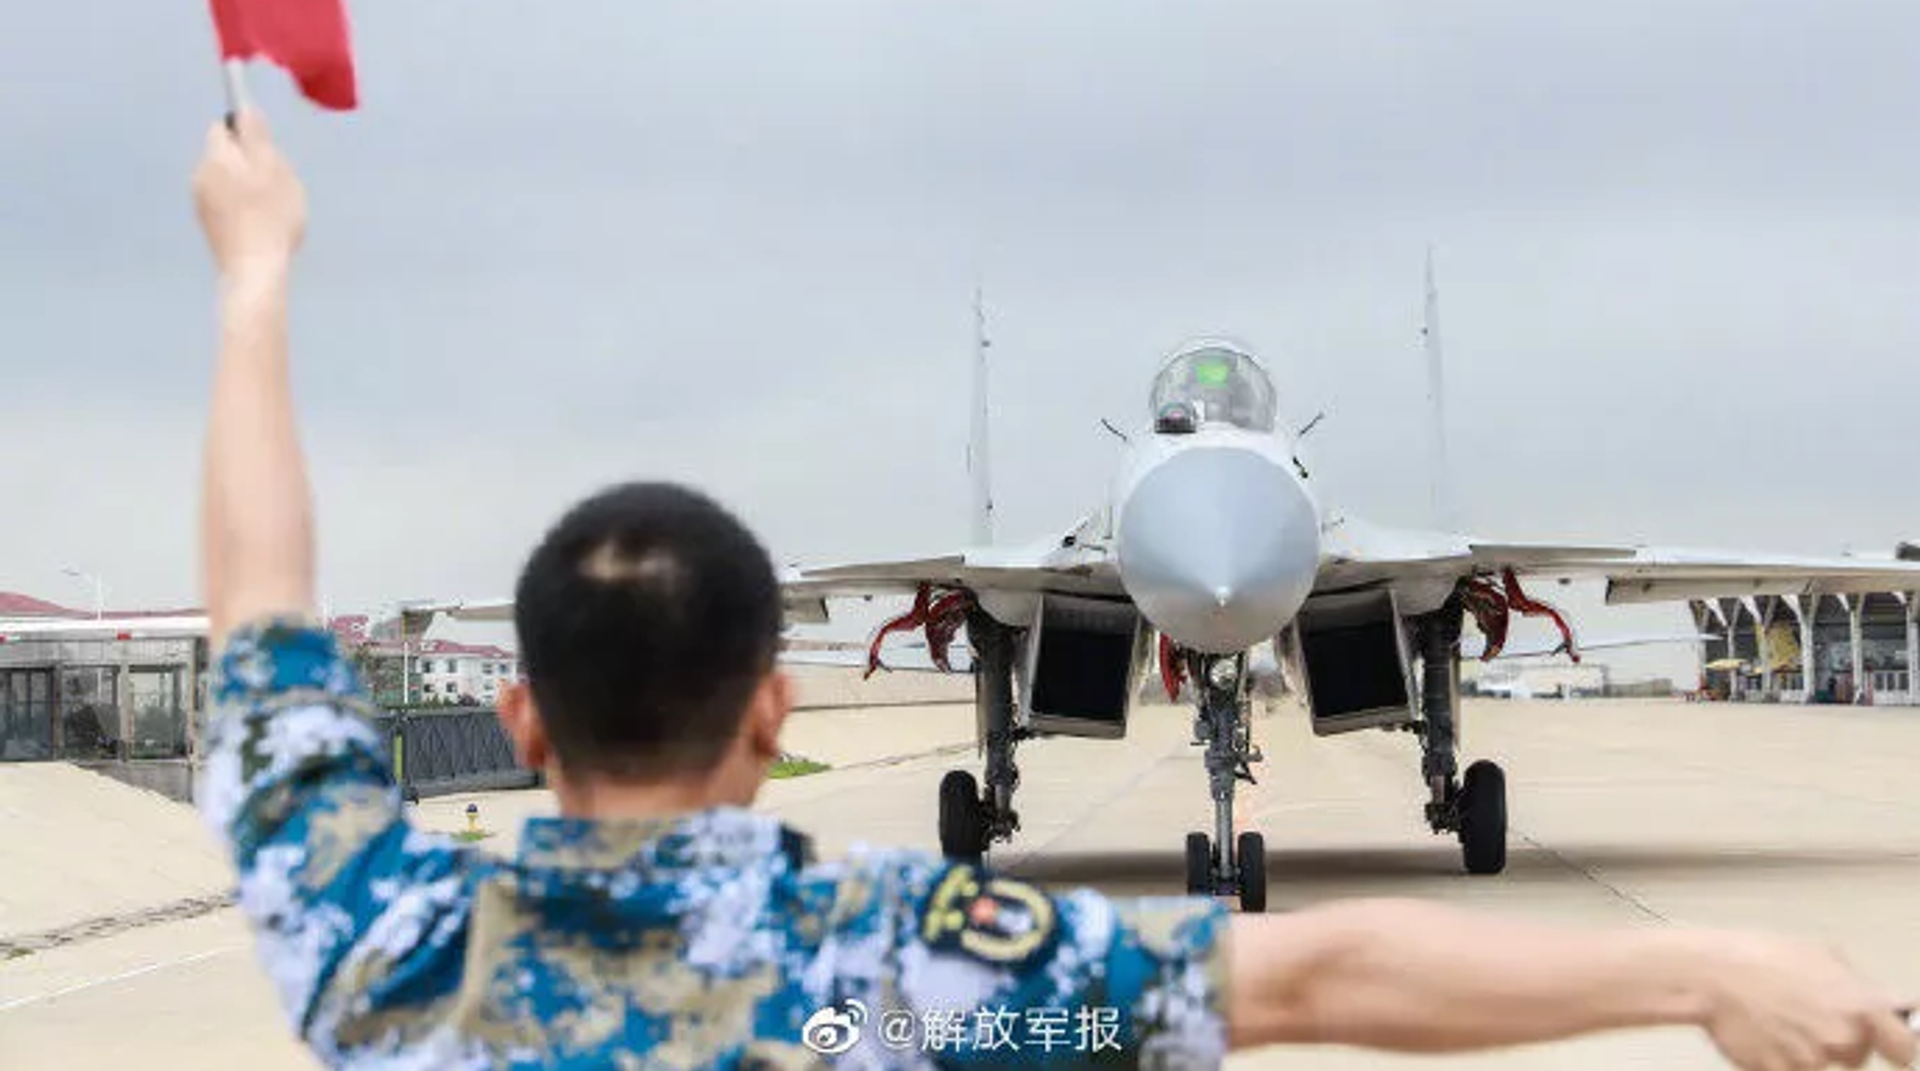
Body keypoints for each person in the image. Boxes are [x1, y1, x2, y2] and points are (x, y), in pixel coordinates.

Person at [191, 110, 1916, 1071]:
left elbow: (259, 632)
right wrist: (1694, 974)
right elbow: (1309, 985)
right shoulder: (897, 964)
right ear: (768, 701)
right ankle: (996, 781)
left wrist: (252, 286)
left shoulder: (378, 935)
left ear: (524, 710)